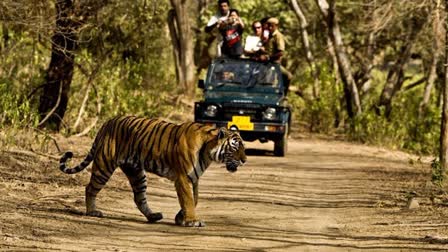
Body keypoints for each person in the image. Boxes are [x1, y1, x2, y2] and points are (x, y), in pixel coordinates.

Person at [255, 17, 293, 94]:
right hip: (266, 63)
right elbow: (269, 50)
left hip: (274, 63)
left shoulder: (278, 36)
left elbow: (281, 52)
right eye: (268, 26)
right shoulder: (269, 36)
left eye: (271, 26)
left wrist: (268, 57)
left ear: (276, 26)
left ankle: (283, 95)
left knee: (288, 76)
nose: (269, 28)